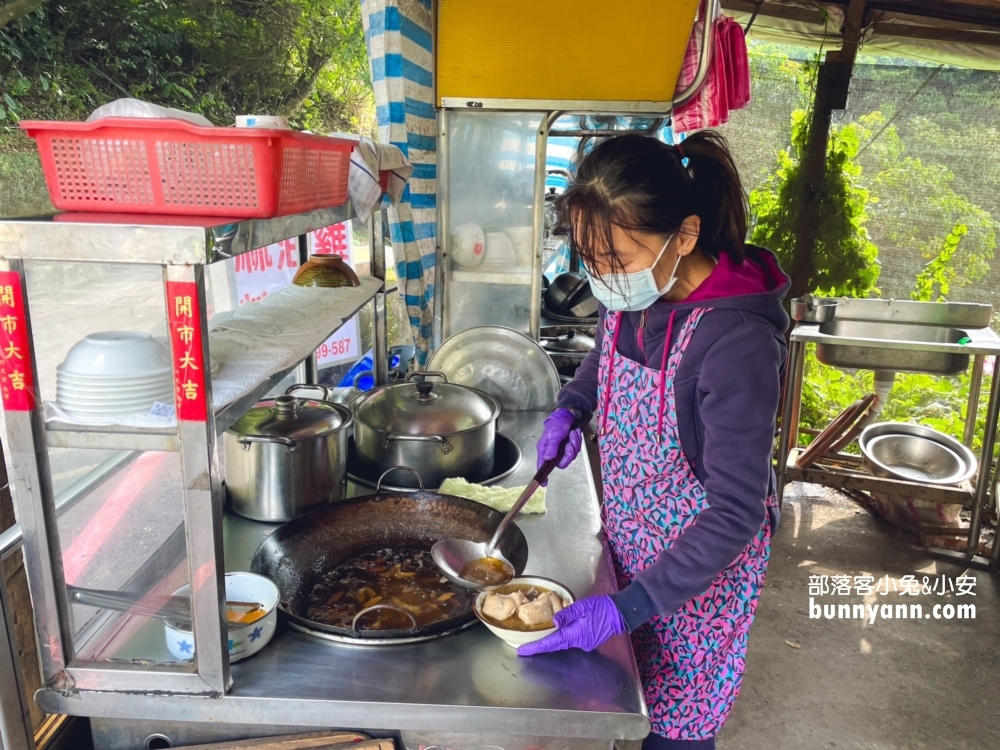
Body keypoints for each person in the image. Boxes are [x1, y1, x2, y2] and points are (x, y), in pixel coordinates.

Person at [519, 131, 789, 750]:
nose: (602, 277)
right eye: (590, 257)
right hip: (631, 541)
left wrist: (628, 607)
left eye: (615, 258)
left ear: (684, 236)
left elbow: (737, 512)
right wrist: (571, 408)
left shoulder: (736, 343)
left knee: (673, 730)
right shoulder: (641, 287)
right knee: (625, 701)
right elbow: (603, 359)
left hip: (700, 579)